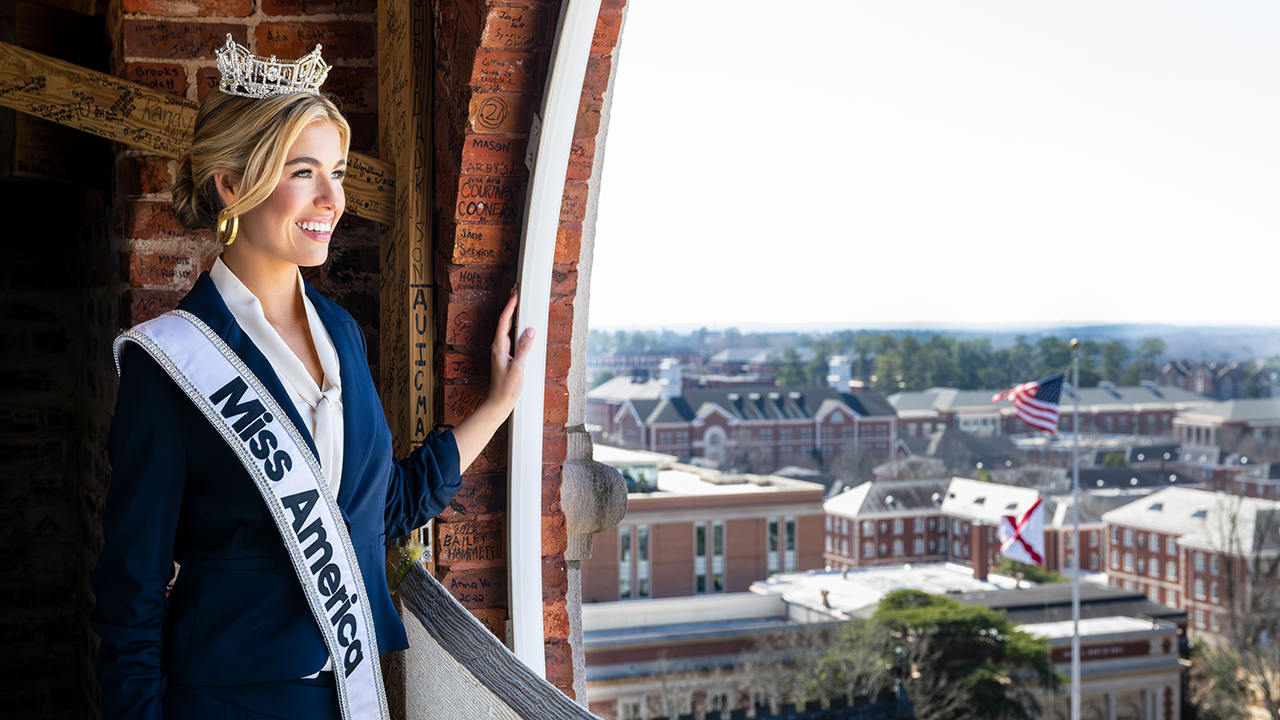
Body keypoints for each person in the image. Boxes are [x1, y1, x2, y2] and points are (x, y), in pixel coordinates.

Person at [90, 37, 534, 720]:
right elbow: (131, 592)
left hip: (349, 699)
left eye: (338, 170)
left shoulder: (343, 337)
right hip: (222, 704)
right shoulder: (170, 366)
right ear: (232, 184)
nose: (334, 197)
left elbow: (379, 514)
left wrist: (499, 403)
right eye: (305, 171)